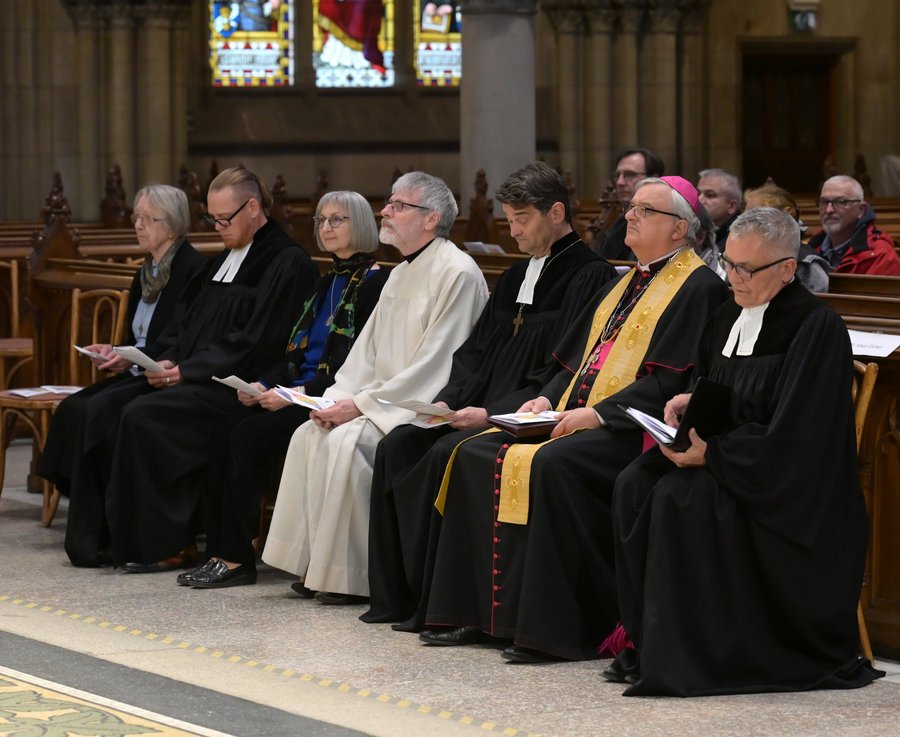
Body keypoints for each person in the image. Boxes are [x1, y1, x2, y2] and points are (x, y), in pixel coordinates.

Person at [418, 176, 729, 663]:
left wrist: (596, 415)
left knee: (552, 465)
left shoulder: (700, 287)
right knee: (475, 451)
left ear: (678, 229)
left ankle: (551, 630)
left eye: (645, 210)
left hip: (631, 428)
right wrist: (544, 400)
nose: (630, 215)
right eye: (632, 207)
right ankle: (476, 616)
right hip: (574, 414)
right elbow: (573, 363)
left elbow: (669, 382)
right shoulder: (624, 280)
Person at [608, 207, 885, 695]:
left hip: (786, 488)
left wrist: (713, 456)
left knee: (676, 498)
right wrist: (688, 404)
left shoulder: (815, 327)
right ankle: (652, 644)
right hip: (729, 458)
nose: (733, 278)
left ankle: (695, 655)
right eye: (728, 264)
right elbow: (719, 392)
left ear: (787, 268)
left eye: (746, 269)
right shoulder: (726, 315)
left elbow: (800, 436)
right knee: (634, 483)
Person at [361, 162, 617, 626]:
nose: (513, 231)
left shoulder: (589, 275)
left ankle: (455, 608)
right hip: (475, 405)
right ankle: (400, 597)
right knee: (398, 444)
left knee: (450, 454)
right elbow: (475, 352)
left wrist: (490, 412)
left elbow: (563, 367)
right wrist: (448, 400)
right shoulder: (516, 276)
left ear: (556, 212)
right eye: (510, 219)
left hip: (524, 410)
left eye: (522, 219)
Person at [65, 166, 317, 570]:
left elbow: (255, 341)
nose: (217, 228)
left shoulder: (286, 262)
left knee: (143, 416)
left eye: (224, 219)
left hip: (237, 386)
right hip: (196, 376)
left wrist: (186, 371)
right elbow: (185, 324)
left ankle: (169, 544)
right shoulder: (222, 261)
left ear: (253, 208)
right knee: (106, 409)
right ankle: (107, 539)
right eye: (212, 219)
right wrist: (168, 358)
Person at [262, 171, 489, 605]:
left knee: (347, 444)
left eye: (399, 206)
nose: (386, 211)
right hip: (380, 398)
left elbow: (437, 364)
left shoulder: (457, 272)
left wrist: (361, 406)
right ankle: (314, 565)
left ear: (431, 218)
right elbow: (364, 354)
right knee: (309, 433)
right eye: (390, 203)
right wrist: (334, 400)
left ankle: (351, 577)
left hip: (417, 405)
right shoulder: (400, 274)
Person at [176, 191, 390, 588]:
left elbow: (357, 365)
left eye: (337, 219)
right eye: (321, 220)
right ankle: (217, 552)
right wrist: (263, 384)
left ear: (361, 224)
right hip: (297, 389)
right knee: (224, 425)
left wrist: (293, 393)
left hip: (333, 396)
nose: (326, 227)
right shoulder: (326, 282)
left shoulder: (377, 285)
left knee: (248, 435)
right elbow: (294, 350)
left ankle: (238, 558)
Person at [38, 185, 208, 566]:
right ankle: (96, 526)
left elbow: (180, 339)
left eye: (148, 218)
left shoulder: (193, 270)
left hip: (164, 373)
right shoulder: (145, 271)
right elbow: (137, 336)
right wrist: (115, 351)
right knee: (74, 409)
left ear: (172, 224)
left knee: (98, 413)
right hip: (137, 369)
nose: (138, 225)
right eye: (136, 217)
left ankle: (108, 533)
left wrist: (133, 356)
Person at [743, 183, 830, 292]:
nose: (744, 223)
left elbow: (814, 300)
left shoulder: (806, 264)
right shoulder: (743, 256)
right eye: (744, 216)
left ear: (778, 219)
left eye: (752, 217)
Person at [807, 175, 900, 275]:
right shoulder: (812, 246)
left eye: (840, 202)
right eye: (824, 202)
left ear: (861, 210)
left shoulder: (881, 256)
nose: (829, 210)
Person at [595, 147, 665, 261]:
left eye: (630, 175)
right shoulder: (621, 221)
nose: (620, 182)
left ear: (654, 179)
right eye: (618, 175)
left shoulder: (664, 220)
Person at [697, 168, 742, 249]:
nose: (699, 199)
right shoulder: (695, 228)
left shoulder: (740, 238)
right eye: (699, 193)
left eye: (710, 195)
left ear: (731, 206)